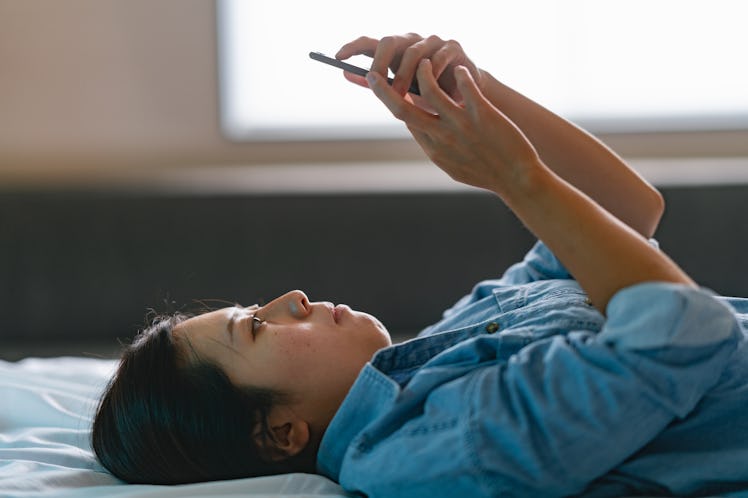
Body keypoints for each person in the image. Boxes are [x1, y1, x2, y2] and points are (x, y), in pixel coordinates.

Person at [92, 34, 748, 497]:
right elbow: (687, 330)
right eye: (257, 329)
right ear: (278, 436)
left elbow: (628, 212)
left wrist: (473, 94)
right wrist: (513, 178)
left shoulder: (443, 342)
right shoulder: (426, 454)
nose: (289, 298)